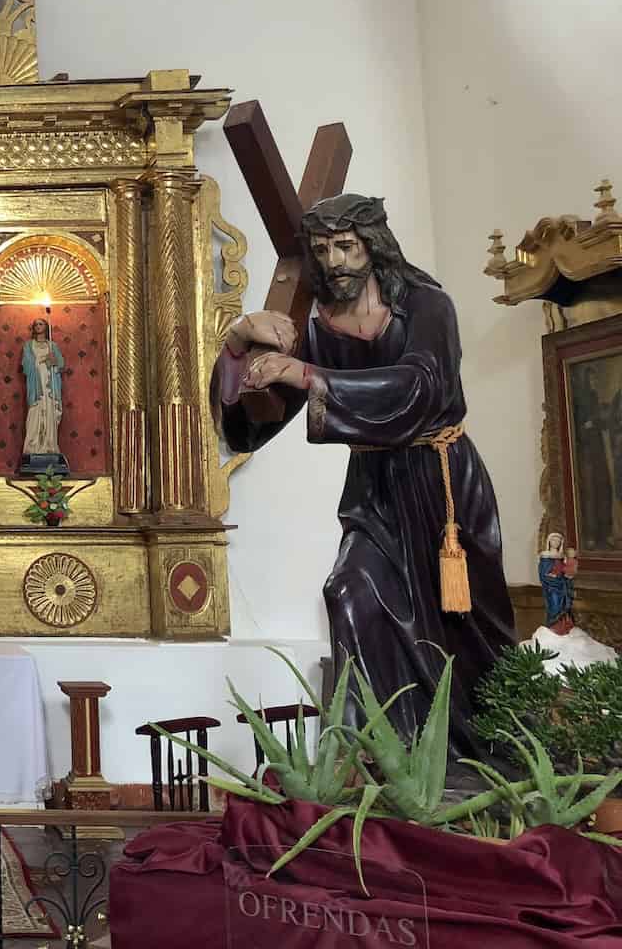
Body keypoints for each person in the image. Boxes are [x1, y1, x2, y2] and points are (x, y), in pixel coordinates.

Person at [212, 193, 515, 758]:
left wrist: (308, 374)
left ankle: (478, 753)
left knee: (465, 626)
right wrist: (238, 340)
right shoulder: (317, 321)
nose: (334, 262)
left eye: (347, 247)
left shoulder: (426, 305)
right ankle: (382, 752)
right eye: (323, 249)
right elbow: (252, 422)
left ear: (374, 247)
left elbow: (423, 386)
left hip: (443, 483)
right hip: (375, 487)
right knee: (351, 592)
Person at [19, 318, 68, 473]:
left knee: (50, 415)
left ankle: (49, 446)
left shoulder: (52, 345)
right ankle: (33, 446)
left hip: (50, 386)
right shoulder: (28, 345)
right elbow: (26, 365)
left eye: (41, 324)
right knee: (35, 414)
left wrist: (54, 362)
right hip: (36, 386)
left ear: (46, 327)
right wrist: (41, 360)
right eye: (36, 324)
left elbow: (60, 364)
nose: (38, 326)